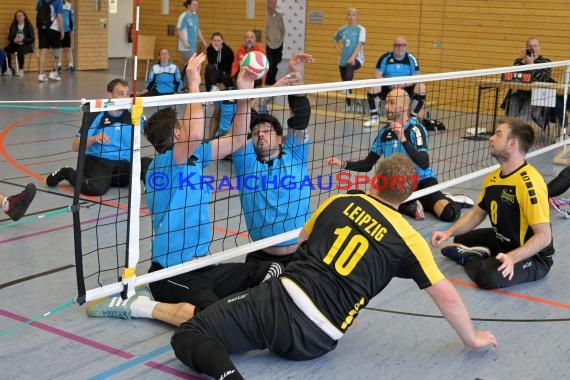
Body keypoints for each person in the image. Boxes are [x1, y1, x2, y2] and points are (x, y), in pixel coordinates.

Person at [170, 153, 497, 379]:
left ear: (376, 182)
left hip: (283, 300)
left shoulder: (340, 201)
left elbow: (300, 242)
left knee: (192, 333)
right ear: (409, 194)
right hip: (319, 340)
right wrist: (472, 339)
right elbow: (447, 296)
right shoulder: (409, 240)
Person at [86, 54, 282, 326]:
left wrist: (245, 92)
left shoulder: (195, 155)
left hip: (201, 266)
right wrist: (193, 84)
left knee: (268, 270)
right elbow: (196, 133)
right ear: (177, 135)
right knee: (216, 319)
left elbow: (237, 139)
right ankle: (140, 304)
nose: (186, 127)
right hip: (171, 274)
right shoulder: (163, 164)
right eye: (181, 124)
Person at [431, 117, 554, 289]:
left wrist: (512, 258)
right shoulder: (493, 178)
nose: (491, 138)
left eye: (498, 134)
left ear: (512, 143)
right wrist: (448, 232)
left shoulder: (530, 184)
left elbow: (544, 237)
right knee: (460, 238)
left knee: (487, 277)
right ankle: (486, 253)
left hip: (532, 256)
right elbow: (477, 213)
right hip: (502, 241)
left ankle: (472, 257)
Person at [327, 88, 471, 222]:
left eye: (392, 103)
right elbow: (368, 164)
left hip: (422, 182)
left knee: (449, 214)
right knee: (354, 194)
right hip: (396, 185)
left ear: (404, 107)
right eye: (387, 102)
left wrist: (402, 138)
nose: (387, 106)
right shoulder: (384, 133)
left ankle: (449, 199)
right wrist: (343, 164)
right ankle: (412, 205)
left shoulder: (416, 129)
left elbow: (424, 162)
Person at [231, 52, 315, 266]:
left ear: (280, 138)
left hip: (302, 256)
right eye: (257, 131)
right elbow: (245, 114)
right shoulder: (246, 161)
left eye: (266, 131)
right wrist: (273, 88)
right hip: (261, 259)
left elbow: (302, 115)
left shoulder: (295, 153)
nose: (260, 134)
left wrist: (294, 75)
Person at [45, 78, 145, 196]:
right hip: (98, 162)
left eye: (127, 94)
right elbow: (76, 146)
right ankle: (66, 172)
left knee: (148, 164)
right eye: (120, 94)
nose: (125, 98)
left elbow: (152, 134)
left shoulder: (133, 114)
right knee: (96, 189)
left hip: (122, 165)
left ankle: (150, 190)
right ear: (110, 95)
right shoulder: (97, 114)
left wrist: (142, 117)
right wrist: (93, 139)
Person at [363, 35, 427, 128]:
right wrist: (390, 83)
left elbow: (417, 77)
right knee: (373, 87)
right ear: (393, 46)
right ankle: (374, 118)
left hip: (406, 88)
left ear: (405, 47)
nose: (399, 48)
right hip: (388, 88)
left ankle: (413, 119)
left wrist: (403, 84)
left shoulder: (411, 58)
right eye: (397, 45)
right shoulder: (385, 57)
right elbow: (377, 75)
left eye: (402, 45)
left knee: (421, 87)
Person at [502, 37, 554, 129]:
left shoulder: (546, 62)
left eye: (535, 46)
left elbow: (543, 78)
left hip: (535, 95)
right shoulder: (519, 61)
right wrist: (523, 62)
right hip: (519, 93)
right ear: (526, 48)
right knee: (512, 106)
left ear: (539, 47)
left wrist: (531, 64)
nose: (533, 48)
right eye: (530, 46)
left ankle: (517, 133)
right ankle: (511, 131)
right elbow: (512, 76)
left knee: (523, 117)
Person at [332, 7, 366, 112]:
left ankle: (346, 87)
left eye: (354, 15)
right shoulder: (342, 29)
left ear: (357, 16)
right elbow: (334, 39)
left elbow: (359, 44)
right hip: (343, 59)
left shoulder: (361, 29)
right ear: (346, 16)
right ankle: (349, 105)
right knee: (346, 80)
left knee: (349, 67)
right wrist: (338, 48)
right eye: (349, 15)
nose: (351, 17)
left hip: (357, 59)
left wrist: (353, 57)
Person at [177, 0, 207, 89]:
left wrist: (204, 42)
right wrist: (184, 42)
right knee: (194, 65)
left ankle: (183, 85)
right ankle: (187, 85)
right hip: (185, 47)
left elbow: (198, 30)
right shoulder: (183, 16)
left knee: (189, 65)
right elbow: (179, 30)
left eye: (197, 5)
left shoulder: (195, 16)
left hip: (193, 47)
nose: (196, 6)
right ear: (189, 5)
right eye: (194, 5)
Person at [36, 0, 64, 82]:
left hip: (42, 29)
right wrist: (62, 31)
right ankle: (54, 72)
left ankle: (41, 74)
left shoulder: (40, 1)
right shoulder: (58, 1)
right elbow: (59, 17)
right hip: (54, 29)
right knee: (57, 51)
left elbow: (39, 15)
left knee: (42, 51)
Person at [4, 10, 35, 77]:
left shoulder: (28, 25)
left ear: (24, 17)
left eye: (21, 15)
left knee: (20, 49)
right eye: (17, 16)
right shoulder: (14, 25)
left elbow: (32, 39)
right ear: (16, 18)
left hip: (26, 44)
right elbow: (9, 37)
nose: (19, 17)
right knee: (7, 49)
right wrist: (14, 40)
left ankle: (21, 69)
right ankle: (9, 69)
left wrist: (23, 40)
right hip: (15, 43)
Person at [265, 0, 285, 85]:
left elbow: (283, 31)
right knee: (269, 64)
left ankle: (272, 82)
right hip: (268, 44)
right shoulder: (264, 16)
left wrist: (280, 41)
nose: (273, 4)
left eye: (275, 2)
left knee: (276, 63)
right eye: (271, 2)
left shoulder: (279, 16)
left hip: (278, 45)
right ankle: (268, 83)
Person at [56, 0, 74, 73]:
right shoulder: (55, 4)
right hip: (57, 29)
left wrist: (72, 29)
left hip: (67, 30)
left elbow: (71, 18)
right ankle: (59, 66)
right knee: (58, 49)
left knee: (68, 49)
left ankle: (71, 66)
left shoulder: (69, 5)